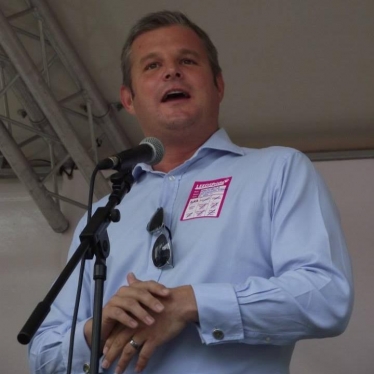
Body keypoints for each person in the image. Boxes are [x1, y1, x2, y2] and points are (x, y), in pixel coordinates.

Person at [29, 10, 354, 374]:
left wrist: (191, 303)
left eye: (186, 60)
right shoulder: (101, 214)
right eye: (152, 66)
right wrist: (95, 328)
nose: (171, 71)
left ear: (218, 85)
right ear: (129, 98)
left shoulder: (277, 171)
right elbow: (44, 355)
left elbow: (326, 296)